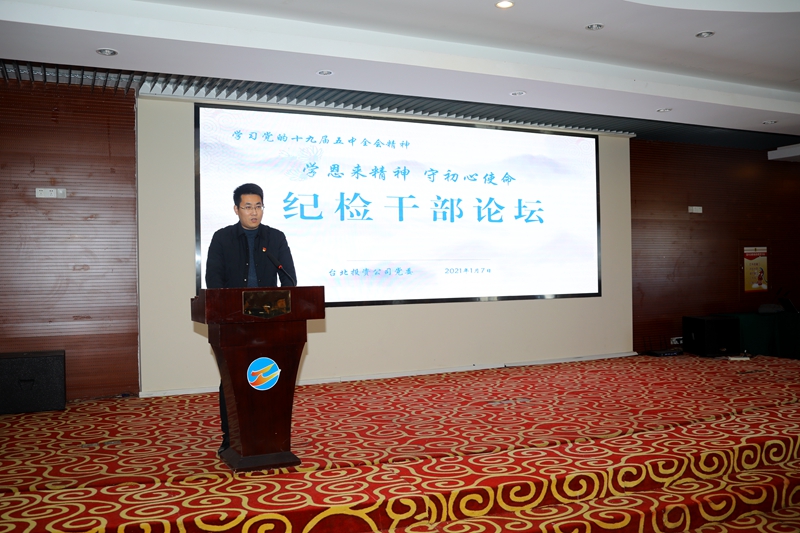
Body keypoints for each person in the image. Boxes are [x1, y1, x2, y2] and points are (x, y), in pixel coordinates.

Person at [205, 182, 297, 454]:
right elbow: (214, 281)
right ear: (236, 209)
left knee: (273, 377)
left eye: (258, 206)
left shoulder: (275, 238)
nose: (254, 212)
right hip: (234, 324)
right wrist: (228, 311)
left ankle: (272, 436)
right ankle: (230, 438)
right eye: (247, 207)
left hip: (270, 322)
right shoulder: (222, 238)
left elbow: (289, 279)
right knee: (232, 379)